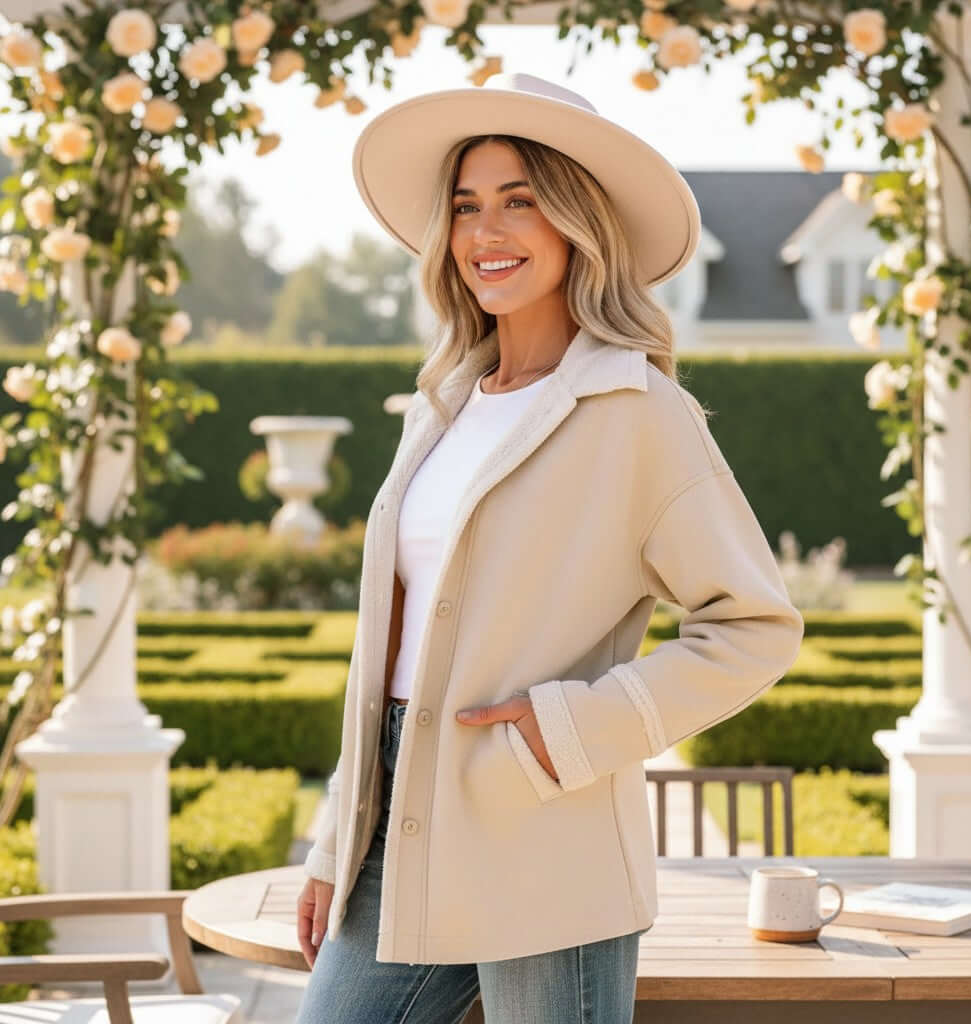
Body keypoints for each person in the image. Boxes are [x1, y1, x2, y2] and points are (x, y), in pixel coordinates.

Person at [294, 72, 804, 1024]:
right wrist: (335, 842)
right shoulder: (439, 407)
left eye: (520, 202)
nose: (486, 232)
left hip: (546, 837)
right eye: (466, 206)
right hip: (397, 827)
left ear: (578, 223)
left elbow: (756, 627)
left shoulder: (640, 413)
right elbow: (389, 654)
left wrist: (574, 728)